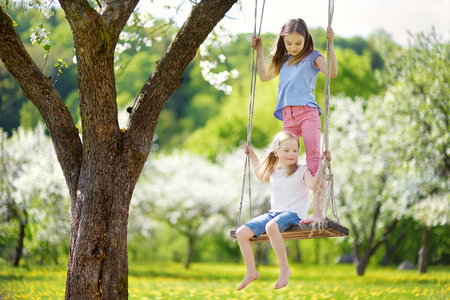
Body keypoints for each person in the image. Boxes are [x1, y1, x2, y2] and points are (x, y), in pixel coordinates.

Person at [251, 18, 337, 223]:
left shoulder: (313, 57)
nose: (294, 47)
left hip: (308, 113)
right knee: (287, 160)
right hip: (287, 116)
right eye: (289, 43)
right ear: (283, 41)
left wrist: (331, 43)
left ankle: (316, 213)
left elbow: (332, 73)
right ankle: (290, 210)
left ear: (306, 39)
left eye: (298, 43)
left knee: (313, 160)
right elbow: (263, 76)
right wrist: (260, 49)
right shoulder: (283, 59)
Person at [236, 131, 332, 290]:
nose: (292, 154)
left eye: (295, 150)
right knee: (241, 233)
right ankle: (251, 271)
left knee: (271, 227)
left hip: (294, 214)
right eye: (286, 150)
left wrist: (322, 164)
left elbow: (314, 185)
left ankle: (284, 268)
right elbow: (259, 171)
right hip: (274, 213)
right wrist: (252, 154)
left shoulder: (302, 170)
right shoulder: (275, 171)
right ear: (276, 152)